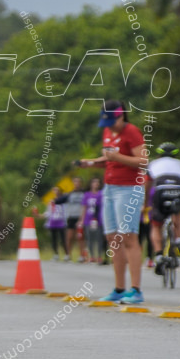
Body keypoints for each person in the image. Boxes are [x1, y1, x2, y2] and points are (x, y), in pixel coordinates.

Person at [79, 100, 148, 304]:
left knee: (129, 237)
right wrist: (91, 162)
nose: (108, 125)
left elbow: (143, 161)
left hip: (128, 189)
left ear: (121, 116)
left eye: (111, 121)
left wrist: (118, 157)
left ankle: (136, 290)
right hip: (109, 188)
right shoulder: (108, 132)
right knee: (112, 238)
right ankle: (119, 289)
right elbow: (108, 159)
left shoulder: (132, 132)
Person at [146, 142, 180, 276]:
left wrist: (146, 203)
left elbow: (147, 185)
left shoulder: (153, 164)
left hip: (161, 190)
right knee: (176, 213)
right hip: (179, 189)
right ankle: (178, 239)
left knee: (156, 225)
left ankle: (159, 255)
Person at [62, 181, 87, 262]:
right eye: (75, 182)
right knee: (69, 237)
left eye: (78, 182)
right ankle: (68, 254)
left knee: (80, 237)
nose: (77, 184)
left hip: (80, 217)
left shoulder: (84, 193)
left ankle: (82, 255)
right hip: (71, 217)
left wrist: (82, 218)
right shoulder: (69, 194)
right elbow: (59, 200)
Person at [83, 177, 104, 264]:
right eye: (94, 182)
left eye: (97, 182)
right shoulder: (87, 195)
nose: (96, 184)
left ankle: (99, 256)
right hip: (89, 219)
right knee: (90, 238)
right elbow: (84, 207)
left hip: (99, 219)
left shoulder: (101, 194)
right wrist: (81, 219)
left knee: (99, 238)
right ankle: (91, 256)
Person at [42, 186, 67, 260]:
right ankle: (55, 254)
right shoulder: (51, 201)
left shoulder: (64, 200)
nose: (56, 192)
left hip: (61, 222)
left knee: (63, 239)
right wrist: (39, 215)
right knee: (54, 239)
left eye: (57, 190)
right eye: (54, 190)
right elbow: (48, 213)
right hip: (53, 222)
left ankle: (66, 254)